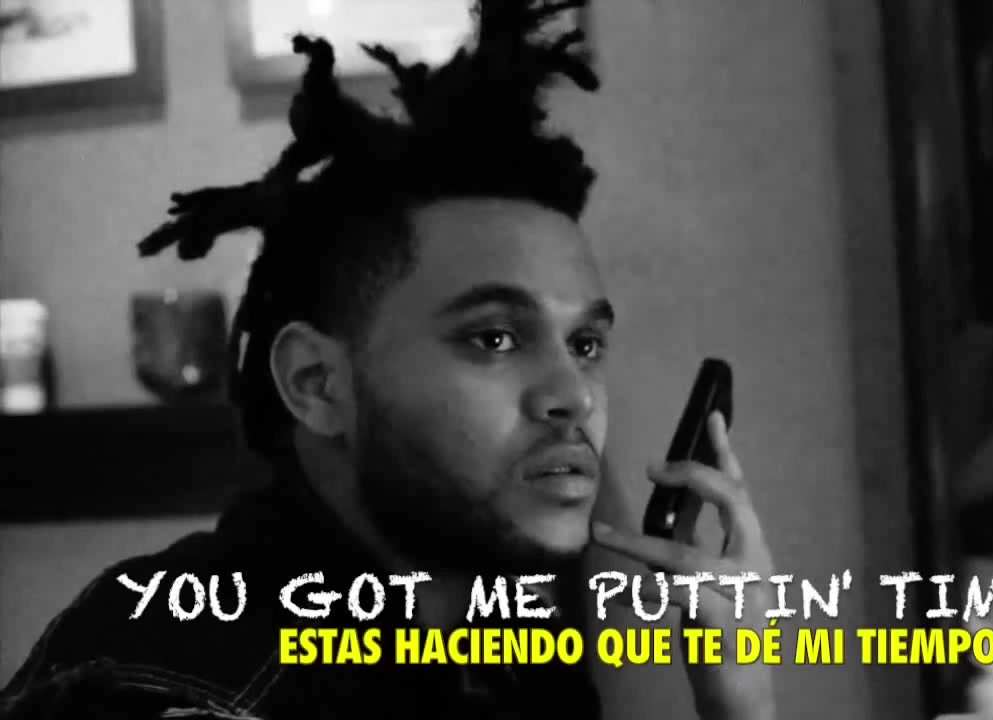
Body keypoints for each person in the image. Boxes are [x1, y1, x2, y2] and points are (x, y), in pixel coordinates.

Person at [0, 1, 778, 718]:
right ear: (316, 383)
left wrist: (738, 697)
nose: (573, 395)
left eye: (585, 345)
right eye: (494, 338)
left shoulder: (508, 642)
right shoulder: (168, 677)